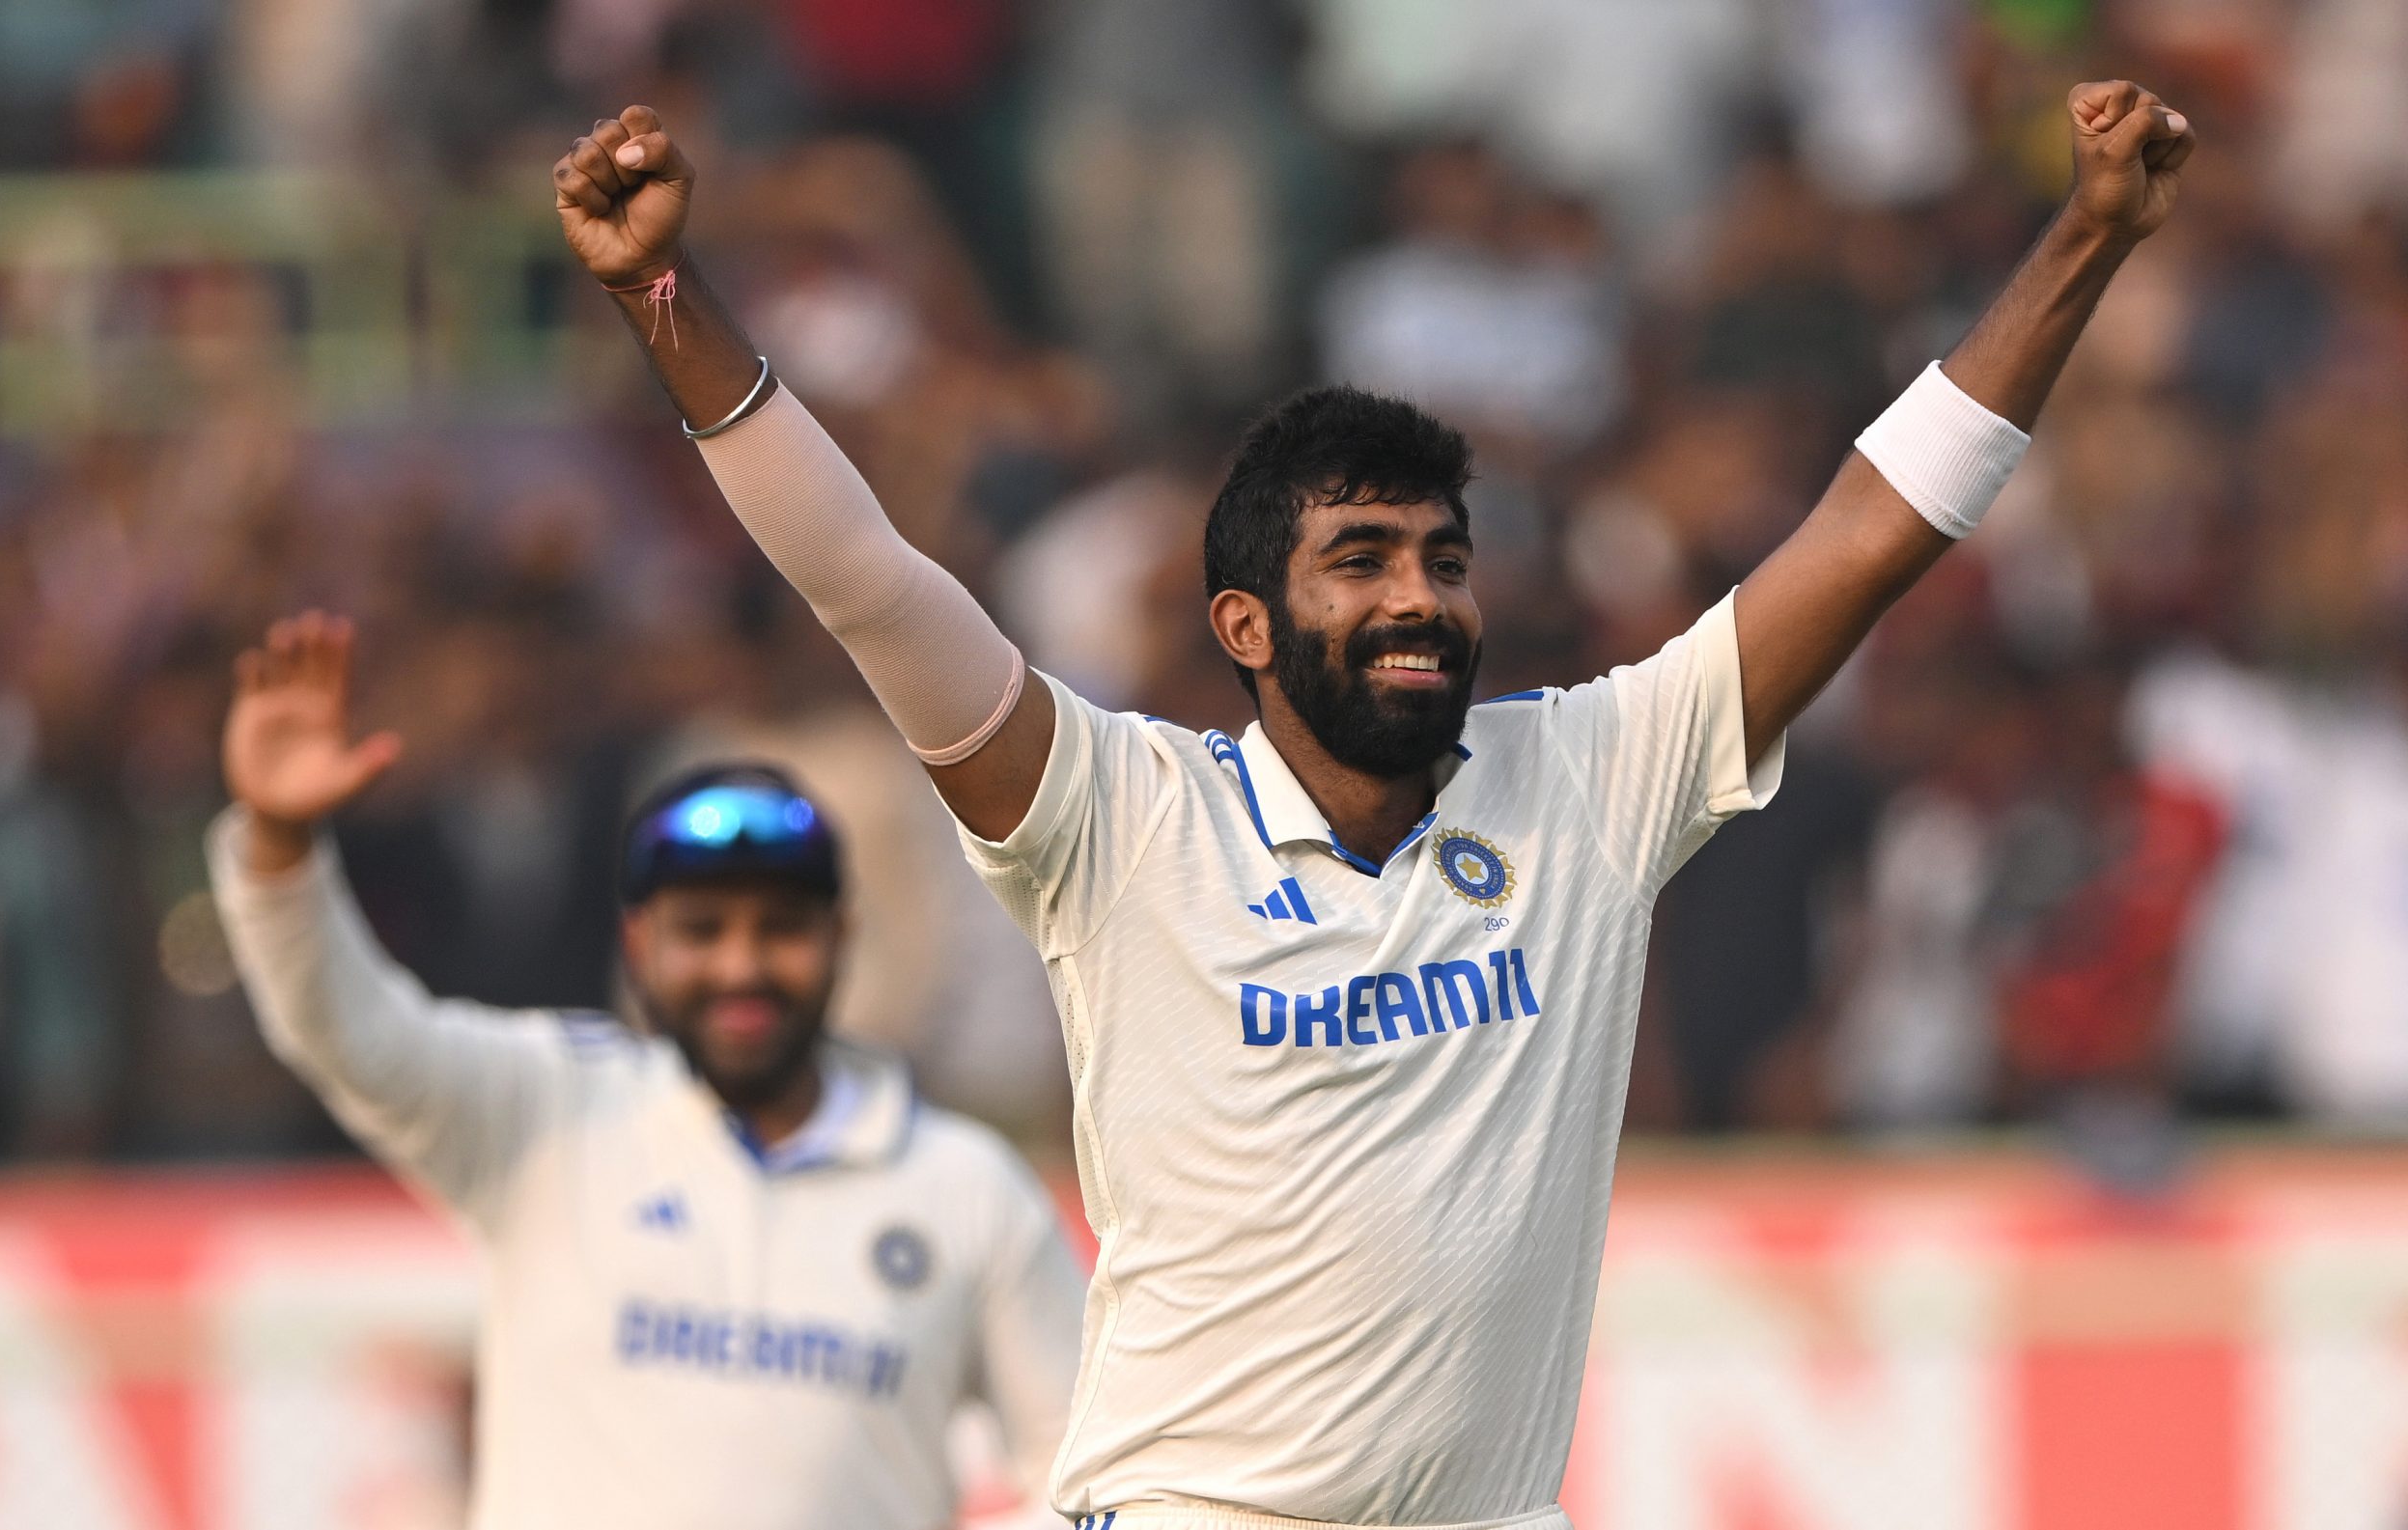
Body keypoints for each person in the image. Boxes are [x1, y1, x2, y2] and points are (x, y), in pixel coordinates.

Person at [551, 81, 2195, 1528]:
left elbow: (1865, 533)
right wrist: (666, 298)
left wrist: (2085, 243)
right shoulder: (1120, 820)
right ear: (1245, 627)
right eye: (1362, 561)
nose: (1420, 598)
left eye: (1444, 560)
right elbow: (867, 580)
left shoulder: (1586, 778)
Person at [207, 612, 1084, 1530]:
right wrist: (279, 846)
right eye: (701, 931)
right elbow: (353, 1033)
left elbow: (1082, 1464)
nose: (741, 967)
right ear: (637, 943)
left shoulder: (962, 1186)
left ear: (841, 936)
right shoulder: (551, 1107)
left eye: (780, 927)